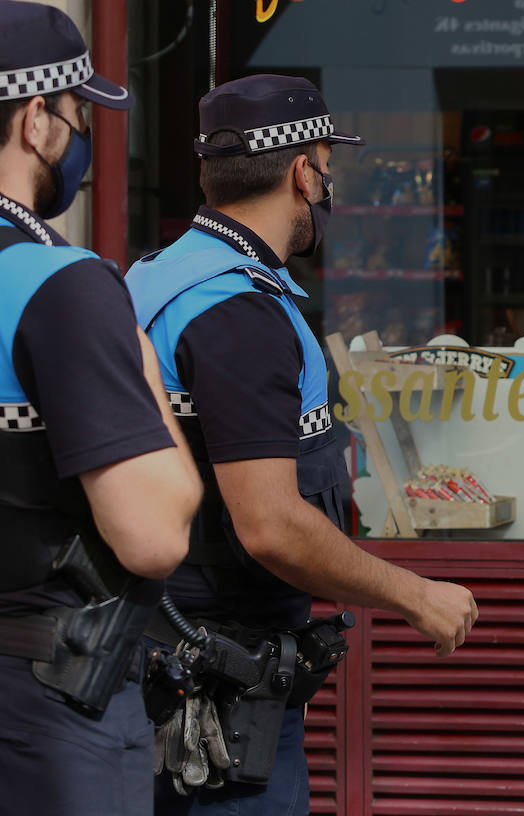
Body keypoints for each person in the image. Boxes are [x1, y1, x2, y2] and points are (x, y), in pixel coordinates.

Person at [125, 75, 478, 815]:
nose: (328, 184)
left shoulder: (161, 275)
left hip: (165, 668)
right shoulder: (238, 311)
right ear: (302, 170)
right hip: (216, 695)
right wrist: (416, 596)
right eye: (326, 165)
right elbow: (270, 523)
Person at [0, 3, 203, 814]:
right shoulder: (63, 283)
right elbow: (153, 537)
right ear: (36, 120)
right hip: (50, 711)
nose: (85, 135)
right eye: (80, 113)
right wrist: (146, 375)